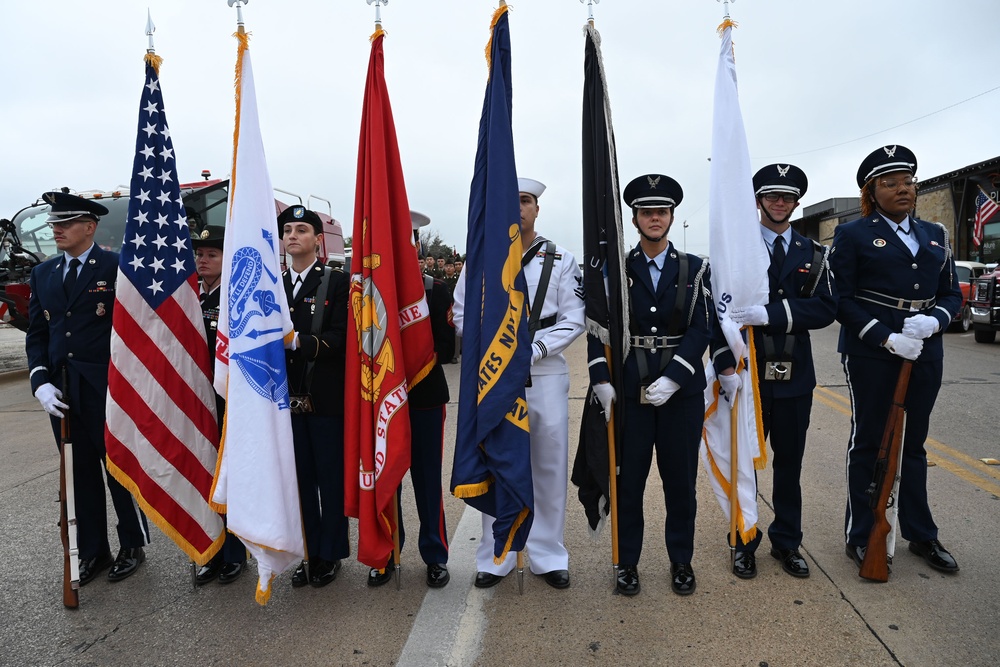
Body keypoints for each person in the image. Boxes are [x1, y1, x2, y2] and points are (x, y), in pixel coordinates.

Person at [830, 145, 962, 575]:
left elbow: (948, 292)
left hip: (925, 349)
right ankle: (863, 533)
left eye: (907, 181)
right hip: (873, 353)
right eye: (890, 183)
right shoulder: (852, 235)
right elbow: (841, 301)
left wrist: (936, 320)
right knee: (870, 442)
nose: (903, 189)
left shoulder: (935, 234)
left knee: (915, 444)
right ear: (872, 191)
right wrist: (886, 338)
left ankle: (921, 534)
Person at [454, 177, 585, 590]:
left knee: (547, 463)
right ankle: (497, 554)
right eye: (512, 201)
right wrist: (495, 351)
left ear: (536, 209)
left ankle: (548, 554)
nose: (519, 208)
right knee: (497, 460)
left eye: (525, 201)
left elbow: (573, 318)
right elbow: (460, 313)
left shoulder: (561, 258)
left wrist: (531, 350)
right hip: (495, 374)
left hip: (542, 371)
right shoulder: (482, 258)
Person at [588, 174, 711, 596]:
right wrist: (600, 379)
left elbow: (702, 328)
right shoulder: (616, 270)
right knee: (629, 481)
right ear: (635, 218)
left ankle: (681, 560)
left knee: (681, 482)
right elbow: (597, 329)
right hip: (630, 391)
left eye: (661, 211)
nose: (654, 218)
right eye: (646, 212)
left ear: (672, 216)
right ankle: (627, 562)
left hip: (681, 395)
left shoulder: (696, 268)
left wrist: (676, 376)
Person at [712, 164, 836, 579]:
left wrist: (772, 313)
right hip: (748, 373)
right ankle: (743, 538)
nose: (779, 203)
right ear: (759, 201)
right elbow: (717, 309)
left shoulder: (813, 253)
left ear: (796, 202)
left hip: (795, 374)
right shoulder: (737, 253)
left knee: (790, 464)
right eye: (771, 196)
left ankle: (787, 541)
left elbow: (825, 308)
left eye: (786, 197)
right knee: (742, 462)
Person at [26, 191, 150, 585]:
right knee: (78, 475)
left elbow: (135, 331)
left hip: (106, 387)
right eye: (53, 224)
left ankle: (133, 543)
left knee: (118, 469)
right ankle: (94, 550)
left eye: (64, 224)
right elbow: (38, 332)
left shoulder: (116, 267)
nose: (56, 230)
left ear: (89, 227)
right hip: (62, 391)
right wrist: (39, 380)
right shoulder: (43, 273)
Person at [368, 211, 454, 589]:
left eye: (408, 241)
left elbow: (448, 348)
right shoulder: (369, 292)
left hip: (424, 396)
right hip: (382, 396)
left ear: (415, 246)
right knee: (386, 477)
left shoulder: (435, 289)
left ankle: (434, 555)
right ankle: (387, 552)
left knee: (426, 478)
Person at [279, 205, 351, 588]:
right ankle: (307, 551)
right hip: (282, 400)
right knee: (299, 480)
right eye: (288, 229)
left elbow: (342, 339)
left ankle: (330, 553)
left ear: (317, 240)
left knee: (329, 478)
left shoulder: (335, 283)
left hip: (323, 398)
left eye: (301, 230)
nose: (293, 235)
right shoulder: (272, 282)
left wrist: (299, 342)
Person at [191, 226, 247, 585]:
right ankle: (208, 549)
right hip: (195, 402)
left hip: (226, 401)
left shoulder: (233, 299)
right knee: (201, 474)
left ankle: (235, 553)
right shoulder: (187, 299)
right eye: (200, 254)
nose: (203, 260)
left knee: (230, 478)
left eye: (212, 254)